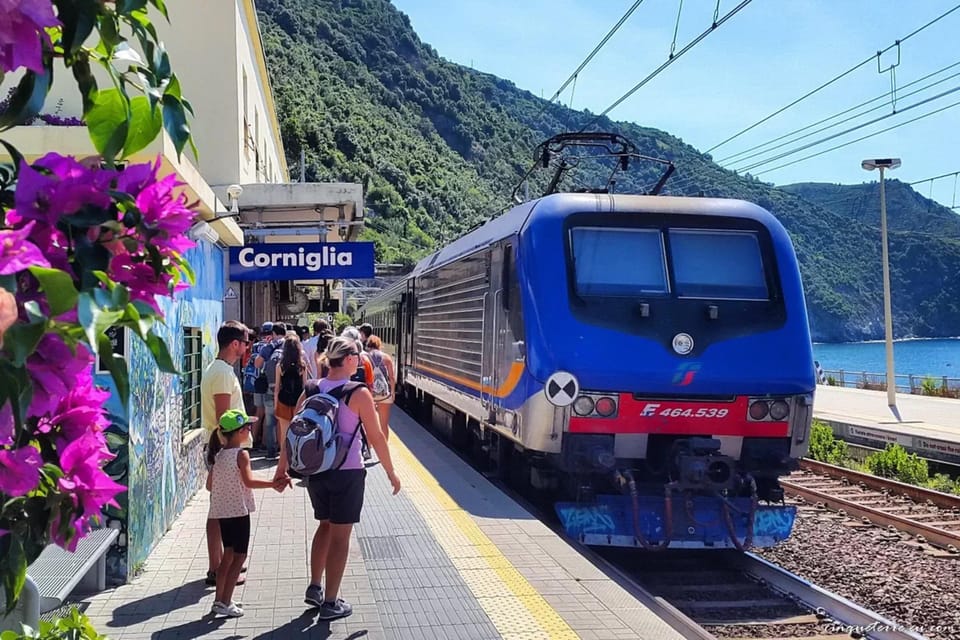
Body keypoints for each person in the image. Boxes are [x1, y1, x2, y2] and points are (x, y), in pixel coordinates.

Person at [275, 337, 401, 621]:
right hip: (348, 472)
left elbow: (292, 433)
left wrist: (282, 468)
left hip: (316, 473)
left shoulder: (311, 389)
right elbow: (377, 437)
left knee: (324, 526)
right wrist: (391, 472)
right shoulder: (358, 393)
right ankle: (331, 602)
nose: (360, 359)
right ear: (346, 360)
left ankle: (315, 586)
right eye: (357, 355)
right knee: (341, 537)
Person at [206, 409, 290, 617]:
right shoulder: (241, 455)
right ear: (239, 432)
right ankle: (226, 601)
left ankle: (220, 600)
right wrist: (272, 484)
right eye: (247, 427)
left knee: (228, 555)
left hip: (223, 511)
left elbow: (210, 486)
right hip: (239, 512)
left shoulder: (219, 455)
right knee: (239, 556)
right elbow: (249, 481)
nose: (250, 430)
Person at [200, 320, 251, 586]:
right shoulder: (221, 373)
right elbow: (224, 418)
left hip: (221, 447)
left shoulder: (219, 369)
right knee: (221, 512)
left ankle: (218, 567)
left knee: (217, 510)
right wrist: (232, 450)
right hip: (224, 448)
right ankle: (218, 568)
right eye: (244, 342)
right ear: (234, 344)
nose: (246, 347)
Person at [254, 322, 286, 458]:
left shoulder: (269, 346)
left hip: (270, 386)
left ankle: (271, 451)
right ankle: (283, 450)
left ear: (273, 333)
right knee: (283, 420)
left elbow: (257, 363)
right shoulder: (291, 345)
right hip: (287, 389)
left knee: (270, 420)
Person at [274, 334, 308, 446]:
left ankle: (284, 458)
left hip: (283, 400)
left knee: (284, 432)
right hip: (298, 401)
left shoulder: (280, 366)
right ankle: (296, 456)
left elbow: (277, 387)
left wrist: (275, 405)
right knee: (298, 432)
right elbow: (304, 386)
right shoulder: (302, 366)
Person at [365, 335, 396, 441]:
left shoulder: (365, 357)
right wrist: (392, 392)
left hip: (369, 395)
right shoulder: (386, 357)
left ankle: (369, 449)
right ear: (379, 345)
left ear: (368, 345)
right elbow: (392, 377)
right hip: (384, 394)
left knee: (369, 424)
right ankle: (384, 447)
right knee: (384, 424)